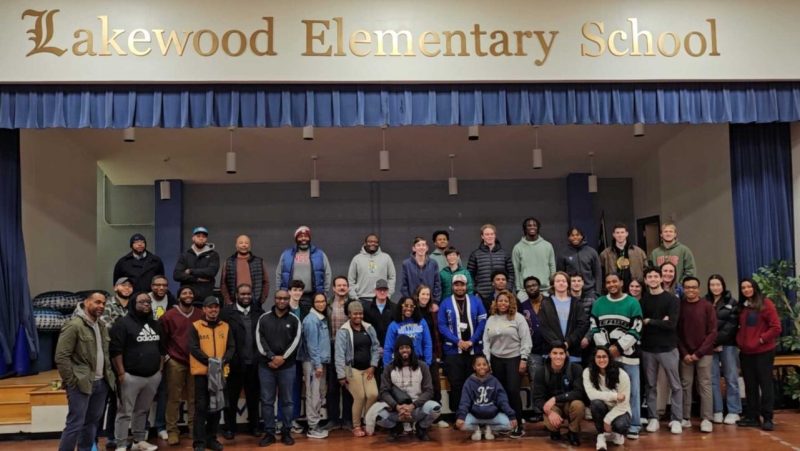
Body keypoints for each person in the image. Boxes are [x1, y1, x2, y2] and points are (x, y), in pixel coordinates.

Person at [56, 292, 116, 451]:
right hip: (80, 384)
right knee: (75, 424)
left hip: (100, 383)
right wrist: (71, 381)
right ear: (86, 302)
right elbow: (61, 357)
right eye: (97, 302)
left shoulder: (101, 325)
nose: (101, 306)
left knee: (91, 424)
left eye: (103, 303)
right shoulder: (74, 325)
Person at [109, 292, 164, 451]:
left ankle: (138, 441)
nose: (146, 304)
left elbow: (162, 349)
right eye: (142, 302)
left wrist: (159, 370)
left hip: (152, 376)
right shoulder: (123, 324)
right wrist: (121, 373)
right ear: (134, 304)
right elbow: (115, 351)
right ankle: (120, 444)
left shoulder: (155, 324)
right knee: (124, 412)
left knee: (142, 410)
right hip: (130, 376)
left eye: (148, 302)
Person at [590, 274, 643, 439]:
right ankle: (612, 425)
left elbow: (637, 329)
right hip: (606, 359)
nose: (611, 284)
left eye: (614, 281)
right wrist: (606, 350)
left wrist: (619, 347)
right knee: (611, 392)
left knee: (632, 391)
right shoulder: (599, 304)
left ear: (621, 282)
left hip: (629, 356)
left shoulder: (632, 303)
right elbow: (595, 328)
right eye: (608, 282)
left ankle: (634, 424)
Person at [255, 289, 303, 446]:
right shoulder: (264, 318)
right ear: (274, 299)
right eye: (279, 298)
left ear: (288, 299)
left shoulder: (294, 319)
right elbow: (259, 339)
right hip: (266, 366)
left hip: (287, 367)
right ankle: (269, 433)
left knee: (287, 401)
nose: (282, 301)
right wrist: (271, 357)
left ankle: (286, 432)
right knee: (267, 401)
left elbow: (296, 341)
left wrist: (282, 358)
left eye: (284, 298)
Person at [640, 267, 684, 435]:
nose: (652, 279)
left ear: (661, 279)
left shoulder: (672, 300)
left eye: (655, 276)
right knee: (650, 385)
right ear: (645, 280)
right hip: (648, 348)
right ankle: (653, 418)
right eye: (649, 276)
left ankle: (676, 419)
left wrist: (650, 321)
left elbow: (671, 324)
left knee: (675, 385)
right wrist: (661, 321)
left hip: (668, 348)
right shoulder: (642, 301)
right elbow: (641, 324)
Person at [482, 290, 531, 438]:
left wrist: (524, 359)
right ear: (496, 303)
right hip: (496, 360)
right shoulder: (491, 319)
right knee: (500, 393)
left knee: (513, 391)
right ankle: (505, 424)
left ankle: (518, 425)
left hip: (514, 358)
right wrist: (487, 361)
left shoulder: (518, 318)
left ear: (510, 303)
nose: (502, 303)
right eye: (500, 300)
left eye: (505, 300)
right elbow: (486, 341)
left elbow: (526, 340)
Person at [376, 335, 441, 442]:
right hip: (397, 410)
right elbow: (384, 391)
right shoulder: (389, 368)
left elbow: (429, 391)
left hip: (417, 408)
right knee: (375, 414)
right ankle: (396, 428)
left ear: (411, 349)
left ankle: (421, 427)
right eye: (401, 348)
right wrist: (396, 406)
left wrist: (413, 406)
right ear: (397, 351)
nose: (404, 350)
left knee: (435, 408)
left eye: (407, 347)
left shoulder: (422, 366)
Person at [437, 274, 487, 415]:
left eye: (462, 284)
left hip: (474, 349)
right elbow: (442, 326)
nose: (459, 287)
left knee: (474, 382)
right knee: (456, 383)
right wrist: (457, 341)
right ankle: (459, 414)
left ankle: (475, 411)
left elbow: (482, 322)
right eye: (457, 284)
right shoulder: (445, 303)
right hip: (453, 351)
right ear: (452, 286)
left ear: (467, 286)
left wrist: (472, 341)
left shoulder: (476, 301)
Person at [736, 278, 781, 431]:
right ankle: (752, 417)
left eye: (749, 286)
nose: (746, 289)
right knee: (750, 386)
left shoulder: (765, 303)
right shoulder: (743, 307)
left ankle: (767, 418)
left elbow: (776, 327)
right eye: (743, 287)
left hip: (763, 352)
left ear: (755, 287)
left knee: (765, 384)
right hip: (746, 353)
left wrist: (761, 339)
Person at [190, 296, 234, 451]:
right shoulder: (196, 326)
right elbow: (194, 348)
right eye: (210, 307)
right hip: (202, 373)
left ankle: (212, 439)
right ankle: (199, 442)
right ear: (204, 309)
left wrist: (222, 361)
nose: (213, 310)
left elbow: (231, 347)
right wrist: (211, 362)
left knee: (216, 407)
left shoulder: (226, 326)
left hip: (219, 374)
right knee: (201, 408)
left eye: (216, 307)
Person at [220, 283, 264, 440]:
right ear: (236, 295)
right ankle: (229, 428)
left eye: (248, 294)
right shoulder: (226, 313)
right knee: (231, 398)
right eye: (243, 294)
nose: (246, 297)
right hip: (234, 363)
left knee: (253, 397)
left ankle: (255, 426)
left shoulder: (259, 312)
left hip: (254, 362)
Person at [160, 285, 202, 446]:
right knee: (173, 398)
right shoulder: (169, 315)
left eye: (190, 292)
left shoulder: (200, 314)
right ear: (179, 297)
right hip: (176, 361)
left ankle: (194, 429)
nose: (188, 295)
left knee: (194, 398)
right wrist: (168, 357)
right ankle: (172, 431)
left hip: (196, 361)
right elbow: (162, 338)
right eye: (184, 293)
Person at [677, 276, 717, 433]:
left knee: (705, 385)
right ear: (683, 289)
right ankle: (685, 418)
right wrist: (685, 353)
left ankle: (706, 418)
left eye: (693, 287)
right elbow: (676, 333)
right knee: (685, 385)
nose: (690, 290)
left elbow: (713, 332)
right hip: (685, 355)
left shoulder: (707, 306)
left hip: (704, 353)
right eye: (687, 287)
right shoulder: (680, 307)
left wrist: (699, 353)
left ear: (699, 289)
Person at [334, 301, 380, 438]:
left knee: (373, 394)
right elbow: (339, 354)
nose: (358, 316)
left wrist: (373, 365)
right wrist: (341, 375)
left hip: (368, 369)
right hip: (351, 369)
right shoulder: (343, 331)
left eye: (360, 313)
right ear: (349, 315)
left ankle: (368, 422)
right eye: (355, 313)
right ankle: (356, 426)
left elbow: (376, 348)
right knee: (359, 396)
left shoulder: (369, 328)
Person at [98, 278, 134, 449]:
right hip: (108, 357)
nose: (126, 288)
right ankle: (94, 438)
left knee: (118, 401)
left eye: (129, 285)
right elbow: (108, 327)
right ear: (115, 287)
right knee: (102, 400)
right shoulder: (108, 305)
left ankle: (112, 436)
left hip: (127, 358)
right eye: (123, 285)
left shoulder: (134, 306)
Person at [705, 274, 742, 425]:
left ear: (723, 285)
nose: (715, 287)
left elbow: (731, 326)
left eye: (718, 284)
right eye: (712, 284)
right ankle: (717, 410)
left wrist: (715, 341)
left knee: (731, 378)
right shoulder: (704, 302)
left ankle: (734, 411)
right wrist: (711, 343)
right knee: (712, 379)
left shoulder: (732, 302)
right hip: (709, 347)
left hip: (728, 345)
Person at [532, 344, 586, 446]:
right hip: (553, 407)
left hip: (569, 403)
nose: (558, 356)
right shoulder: (541, 371)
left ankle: (573, 432)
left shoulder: (576, 368)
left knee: (579, 405)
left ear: (566, 355)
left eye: (561, 353)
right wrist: (549, 412)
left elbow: (579, 392)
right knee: (550, 422)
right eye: (555, 353)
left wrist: (555, 398)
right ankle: (555, 430)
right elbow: (537, 398)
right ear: (550, 355)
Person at [454, 355, 518, 441]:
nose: (482, 367)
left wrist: (511, 415)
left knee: (510, 424)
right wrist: (461, 417)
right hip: (475, 417)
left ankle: (489, 429)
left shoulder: (494, 381)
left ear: (488, 366)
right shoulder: (469, 382)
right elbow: (465, 402)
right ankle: (477, 429)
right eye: (479, 365)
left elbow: (502, 400)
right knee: (461, 425)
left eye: (484, 364)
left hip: (492, 417)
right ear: (474, 367)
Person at [276, 226, 332, 316]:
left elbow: (327, 273)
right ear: (296, 238)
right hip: (291, 296)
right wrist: (280, 292)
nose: (303, 238)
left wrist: (324, 292)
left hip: (311, 296)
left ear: (309, 238)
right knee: (291, 322)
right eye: (300, 236)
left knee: (309, 323)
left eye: (306, 236)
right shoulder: (286, 254)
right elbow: (279, 274)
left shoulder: (320, 254)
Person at [583, 347, 631, 451]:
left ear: (609, 358)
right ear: (594, 359)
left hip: (620, 410)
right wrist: (614, 396)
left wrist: (607, 420)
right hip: (603, 407)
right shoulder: (588, 372)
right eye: (598, 357)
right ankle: (601, 435)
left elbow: (623, 404)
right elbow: (591, 395)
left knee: (621, 425)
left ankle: (614, 434)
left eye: (604, 356)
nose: (601, 360)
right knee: (595, 403)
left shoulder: (622, 374)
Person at [413, 285, 447, 427]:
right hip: (415, 355)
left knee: (435, 385)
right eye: (423, 294)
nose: (425, 297)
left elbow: (437, 332)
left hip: (431, 353)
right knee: (418, 387)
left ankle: (436, 417)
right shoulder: (412, 311)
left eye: (428, 294)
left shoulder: (433, 311)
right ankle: (418, 417)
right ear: (417, 295)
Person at [300, 293, 331, 439]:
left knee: (318, 394)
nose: (321, 304)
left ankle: (315, 425)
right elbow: (312, 346)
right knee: (313, 395)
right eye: (318, 301)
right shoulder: (311, 320)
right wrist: (318, 365)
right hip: (313, 364)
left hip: (320, 362)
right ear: (313, 303)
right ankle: (312, 428)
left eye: (323, 301)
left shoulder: (321, 318)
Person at [326, 276, 355, 431]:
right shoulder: (327, 304)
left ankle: (348, 420)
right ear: (334, 288)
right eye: (339, 285)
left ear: (348, 288)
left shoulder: (353, 304)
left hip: (348, 349)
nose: (342, 288)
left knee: (348, 386)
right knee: (332, 387)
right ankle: (333, 420)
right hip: (331, 348)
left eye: (345, 285)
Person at [146, 275, 174, 439]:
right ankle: (143, 427)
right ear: (151, 286)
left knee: (163, 391)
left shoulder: (172, 302)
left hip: (166, 353)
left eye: (164, 285)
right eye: (157, 285)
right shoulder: (143, 300)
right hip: (146, 353)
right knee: (146, 393)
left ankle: (160, 426)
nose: (161, 288)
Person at [539, 272, 589, 360]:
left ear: (568, 284)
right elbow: (543, 326)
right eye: (558, 281)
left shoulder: (576, 303)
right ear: (553, 284)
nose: (561, 283)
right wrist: (558, 345)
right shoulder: (545, 303)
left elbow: (582, 325)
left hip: (572, 351)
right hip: (551, 352)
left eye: (564, 281)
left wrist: (568, 343)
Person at [517, 276, 546, 421]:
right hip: (533, 349)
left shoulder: (549, 302)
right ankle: (538, 411)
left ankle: (555, 410)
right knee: (536, 380)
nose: (532, 288)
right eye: (528, 286)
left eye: (534, 285)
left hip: (551, 347)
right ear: (525, 289)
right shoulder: (523, 306)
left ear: (539, 286)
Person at [469, 224, 515, 303]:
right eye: (487, 234)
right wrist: (475, 292)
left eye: (492, 234)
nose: (489, 236)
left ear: (495, 235)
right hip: (482, 296)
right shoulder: (475, 254)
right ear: (482, 236)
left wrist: (508, 289)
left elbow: (511, 273)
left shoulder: (504, 254)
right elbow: (470, 275)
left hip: (502, 296)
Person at [220, 235, 270, 306]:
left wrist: (261, 300)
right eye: (241, 243)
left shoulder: (259, 261)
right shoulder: (229, 262)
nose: (244, 245)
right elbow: (223, 284)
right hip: (234, 302)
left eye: (246, 243)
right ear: (236, 245)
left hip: (254, 302)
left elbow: (266, 282)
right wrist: (228, 301)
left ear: (250, 246)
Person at [174, 226, 220, 302]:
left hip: (206, 297)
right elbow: (177, 275)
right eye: (198, 236)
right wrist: (196, 279)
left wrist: (191, 271)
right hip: (188, 298)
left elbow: (211, 272)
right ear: (193, 238)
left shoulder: (213, 255)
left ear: (206, 239)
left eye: (204, 236)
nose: (201, 238)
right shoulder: (185, 255)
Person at [512, 217, 555, 298]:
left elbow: (552, 266)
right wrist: (518, 289)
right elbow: (516, 270)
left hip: (546, 290)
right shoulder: (518, 247)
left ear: (538, 227)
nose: (532, 227)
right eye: (529, 225)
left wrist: (553, 285)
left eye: (534, 225)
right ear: (525, 228)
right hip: (525, 291)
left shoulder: (547, 245)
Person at [383, 297, 433, 366]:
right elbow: (388, 348)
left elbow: (427, 344)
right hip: (399, 364)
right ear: (401, 306)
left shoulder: (422, 322)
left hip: (418, 362)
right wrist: (387, 367)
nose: (409, 308)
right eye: (406, 306)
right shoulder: (393, 325)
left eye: (412, 306)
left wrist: (427, 364)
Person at [348, 233, 396, 302]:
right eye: (370, 242)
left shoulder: (386, 258)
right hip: (361, 298)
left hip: (381, 298)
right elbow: (350, 280)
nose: (373, 244)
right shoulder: (357, 259)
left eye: (375, 242)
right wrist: (354, 297)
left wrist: (388, 294)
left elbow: (392, 277)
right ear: (365, 243)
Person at [599, 223, 647, 291]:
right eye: (617, 233)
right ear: (613, 235)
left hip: (634, 288)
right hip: (614, 288)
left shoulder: (639, 252)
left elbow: (645, 269)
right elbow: (601, 273)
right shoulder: (605, 254)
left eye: (622, 232)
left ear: (626, 234)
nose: (620, 235)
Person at [559, 227, 603, 301]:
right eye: (572, 235)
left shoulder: (591, 252)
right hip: (570, 293)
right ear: (569, 237)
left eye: (577, 235)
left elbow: (598, 274)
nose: (575, 237)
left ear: (582, 236)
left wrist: (597, 292)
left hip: (590, 293)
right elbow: (560, 275)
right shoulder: (563, 254)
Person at [400, 237, 442, 304]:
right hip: (413, 302)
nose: (421, 247)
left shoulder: (433, 263)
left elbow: (437, 284)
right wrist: (408, 300)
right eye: (418, 245)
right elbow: (404, 285)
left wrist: (435, 302)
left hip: (429, 303)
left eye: (423, 245)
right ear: (414, 248)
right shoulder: (406, 264)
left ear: (427, 248)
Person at [363, 279, 396, 360]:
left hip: (390, 348)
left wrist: (388, 347)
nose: (382, 292)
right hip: (372, 349)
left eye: (384, 290)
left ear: (388, 291)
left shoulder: (395, 307)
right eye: (379, 290)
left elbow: (396, 329)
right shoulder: (366, 308)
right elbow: (365, 330)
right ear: (375, 291)